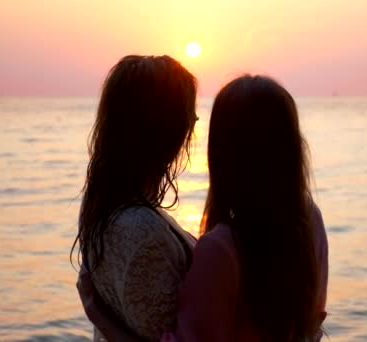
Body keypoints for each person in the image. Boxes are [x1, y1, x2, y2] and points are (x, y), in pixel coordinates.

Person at [78, 75, 329, 341]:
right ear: (291, 147)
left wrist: (100, 316)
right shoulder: (309, 219)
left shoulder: (221, 251)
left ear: (222, 152)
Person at [72, 55, 198, 341]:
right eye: (188, 115)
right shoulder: (143, 230)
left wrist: (98, 315)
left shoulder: (101, 204)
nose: (193, 122)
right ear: (167, 130)